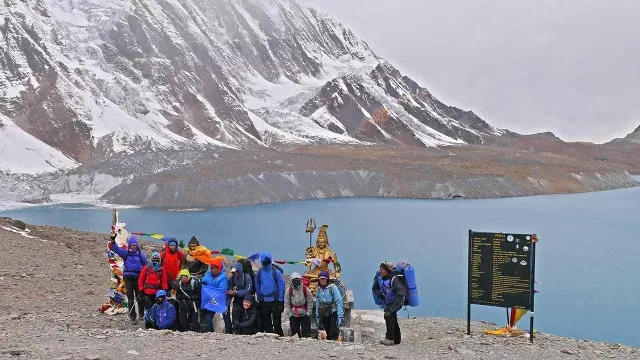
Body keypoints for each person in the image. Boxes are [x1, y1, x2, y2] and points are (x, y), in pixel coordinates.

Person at [108, 235, 147, 324]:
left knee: (140, 297)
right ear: (129, 245)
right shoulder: (126, 253)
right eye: (132, 245)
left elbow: (146, 265)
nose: (133, 246)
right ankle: (132, 317)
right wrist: (113, 241)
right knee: (130, 297)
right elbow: (116, 249)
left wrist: (145, 276)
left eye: (135, 245)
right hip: (128, 277)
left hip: (138, 277)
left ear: (137, 245)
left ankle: (141, 314)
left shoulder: (140, 255)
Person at [372, 262, 406, 346]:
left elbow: (401, 294)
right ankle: (397, 340)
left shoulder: (394, 279)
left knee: (388, 315)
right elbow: (375, 287)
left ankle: (389, 339)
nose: (380, 271)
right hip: (390, 301)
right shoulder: (381, 278)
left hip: (397, 301)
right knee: (392, 317)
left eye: (382, 269)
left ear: (387, 270)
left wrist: (393, 307)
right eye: (380, 269)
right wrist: (381, 294)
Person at [254, 252, 285, 336]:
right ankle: (269, 339)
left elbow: (281, 287)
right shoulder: (259, 273)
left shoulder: (276, 272)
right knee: (267, 322)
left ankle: (280, 337)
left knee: (277, 323)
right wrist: (259, 298)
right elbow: (257, 285)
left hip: (275, 300)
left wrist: (281, 301)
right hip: (264, 301)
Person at [138, 252, 168, 325]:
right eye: (154, 259)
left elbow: (164, 281)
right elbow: (141, 279)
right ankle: (148, 322)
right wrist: (141, 289)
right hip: (147, 292)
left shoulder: (162, 269)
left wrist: (165, 290)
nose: (155, 261)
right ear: (151, 259)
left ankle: (156, 322)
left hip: (157, 293)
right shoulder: (146, 268)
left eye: (157, 260)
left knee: (157, 308)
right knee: (148, 308)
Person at [224, 262, 253, 334]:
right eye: (232, 272)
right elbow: (229, 292)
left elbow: (248, 290)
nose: (233, 274)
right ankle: (235, 331)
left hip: (246, 302)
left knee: (245, 318)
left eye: (235, 272)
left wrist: (236, 293)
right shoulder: (231, 279)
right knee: (235, 317)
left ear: (239, 270)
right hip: (236, 301)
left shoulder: (247, 278)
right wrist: (226, 305)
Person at [201, 258, 228, 333]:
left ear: (219, 268)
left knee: (225, 316)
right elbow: (203, 282)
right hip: (210, 300)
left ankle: (229, 331)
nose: (214, 270)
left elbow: (222, 290)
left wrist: (210, 290)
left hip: (220, 300)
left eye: (216, 268)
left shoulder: (223, 277)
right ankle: (210, 332)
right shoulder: (208, 274)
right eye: (212, 268)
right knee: (208, 317)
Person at [315, 270, 343, 341]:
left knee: (333, 331)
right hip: (324, 313)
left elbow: (339, 302)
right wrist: (318, 317)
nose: (322, 280)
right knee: (326, 331)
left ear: (327, 279)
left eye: (324, 279)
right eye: (321, 279)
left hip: (333, 312)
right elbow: (318, 304)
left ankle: (334, 344)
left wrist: (340, 316)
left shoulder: (333, 288)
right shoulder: (318, 290)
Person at [285, 272, 313, 338]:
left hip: (304, 313)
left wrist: (309, 312)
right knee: (295, 333)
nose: (296, 282)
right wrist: (289, 313)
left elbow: (310, 301)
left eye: (297, 279)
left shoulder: (305, 289)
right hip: (293, 313)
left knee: (306, 331)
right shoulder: (289, 290)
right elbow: (287, 302)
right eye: (294, 280)